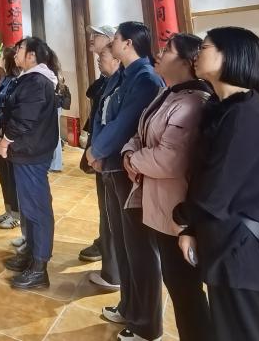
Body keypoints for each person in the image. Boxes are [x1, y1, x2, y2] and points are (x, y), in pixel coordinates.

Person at [173, 27, 259, 341]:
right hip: (229, 245)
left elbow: (216, 188)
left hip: (244, 250)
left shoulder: (245, 114)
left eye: (205, 47)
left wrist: (183, 217)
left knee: (247, 330)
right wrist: (192, 228)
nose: (197, 54)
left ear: (230, 56)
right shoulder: (227, 107)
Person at [121, 34, 213, 341]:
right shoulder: (167, 93)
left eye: (167, 50)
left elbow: (168, 159)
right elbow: (140, 134)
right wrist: (130, 153)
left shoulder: (193, 102)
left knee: (186, 290)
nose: (158, 54)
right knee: (177, 283)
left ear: (187, 61)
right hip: (160, 204)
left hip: (178, 210)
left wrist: (133, 160)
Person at [87, 21, 164, 341]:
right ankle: (129, 307)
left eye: (114, 39)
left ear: (128, 44)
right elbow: (102, 114)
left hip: (127, 170)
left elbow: (125, 123)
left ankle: (147, 324)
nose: (110, 45)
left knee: (139, 247)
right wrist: (96, 149)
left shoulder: (145, 78)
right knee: (122, 242)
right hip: (110, 166)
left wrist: (97, 150)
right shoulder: (121, 75)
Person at [0, 37, 60, 290]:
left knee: (37, 209)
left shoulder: (36, 81)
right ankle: (32, 255)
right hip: (27, 152)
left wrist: (5, 140)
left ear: (32, 56)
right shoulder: (31, 79)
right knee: (29, 208)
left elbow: (24, 118)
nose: (16, 53)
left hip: (32, 153)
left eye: (20, 49)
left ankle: (39, 268)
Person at [79, 42, 122, 295]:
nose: (98, 58)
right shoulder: (108, 82)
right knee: (106, 211)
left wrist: (97, 151)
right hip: (102, 155)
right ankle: (109, 260)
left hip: (112, 159)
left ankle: (114, 273)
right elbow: (92, 95)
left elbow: (116, 124)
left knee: (112, 213)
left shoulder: (127, 83)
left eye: (103, 54)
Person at [0, 46, 20, 229]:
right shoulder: (4, 79)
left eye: (1, 56)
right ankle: (8, 210)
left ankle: (16, 214)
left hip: (9, 133)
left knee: (13, 176)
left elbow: (8, 109)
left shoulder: (15, 80)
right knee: (4, 175)